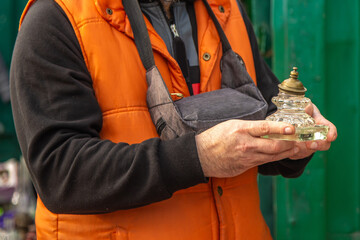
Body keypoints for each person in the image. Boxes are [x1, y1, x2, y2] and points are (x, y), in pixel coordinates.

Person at [10, 0, 337, 239]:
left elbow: (263, 116)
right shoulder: (54, 18)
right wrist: (200, 157)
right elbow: (60, 174)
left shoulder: (225, 8)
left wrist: (293, 139)